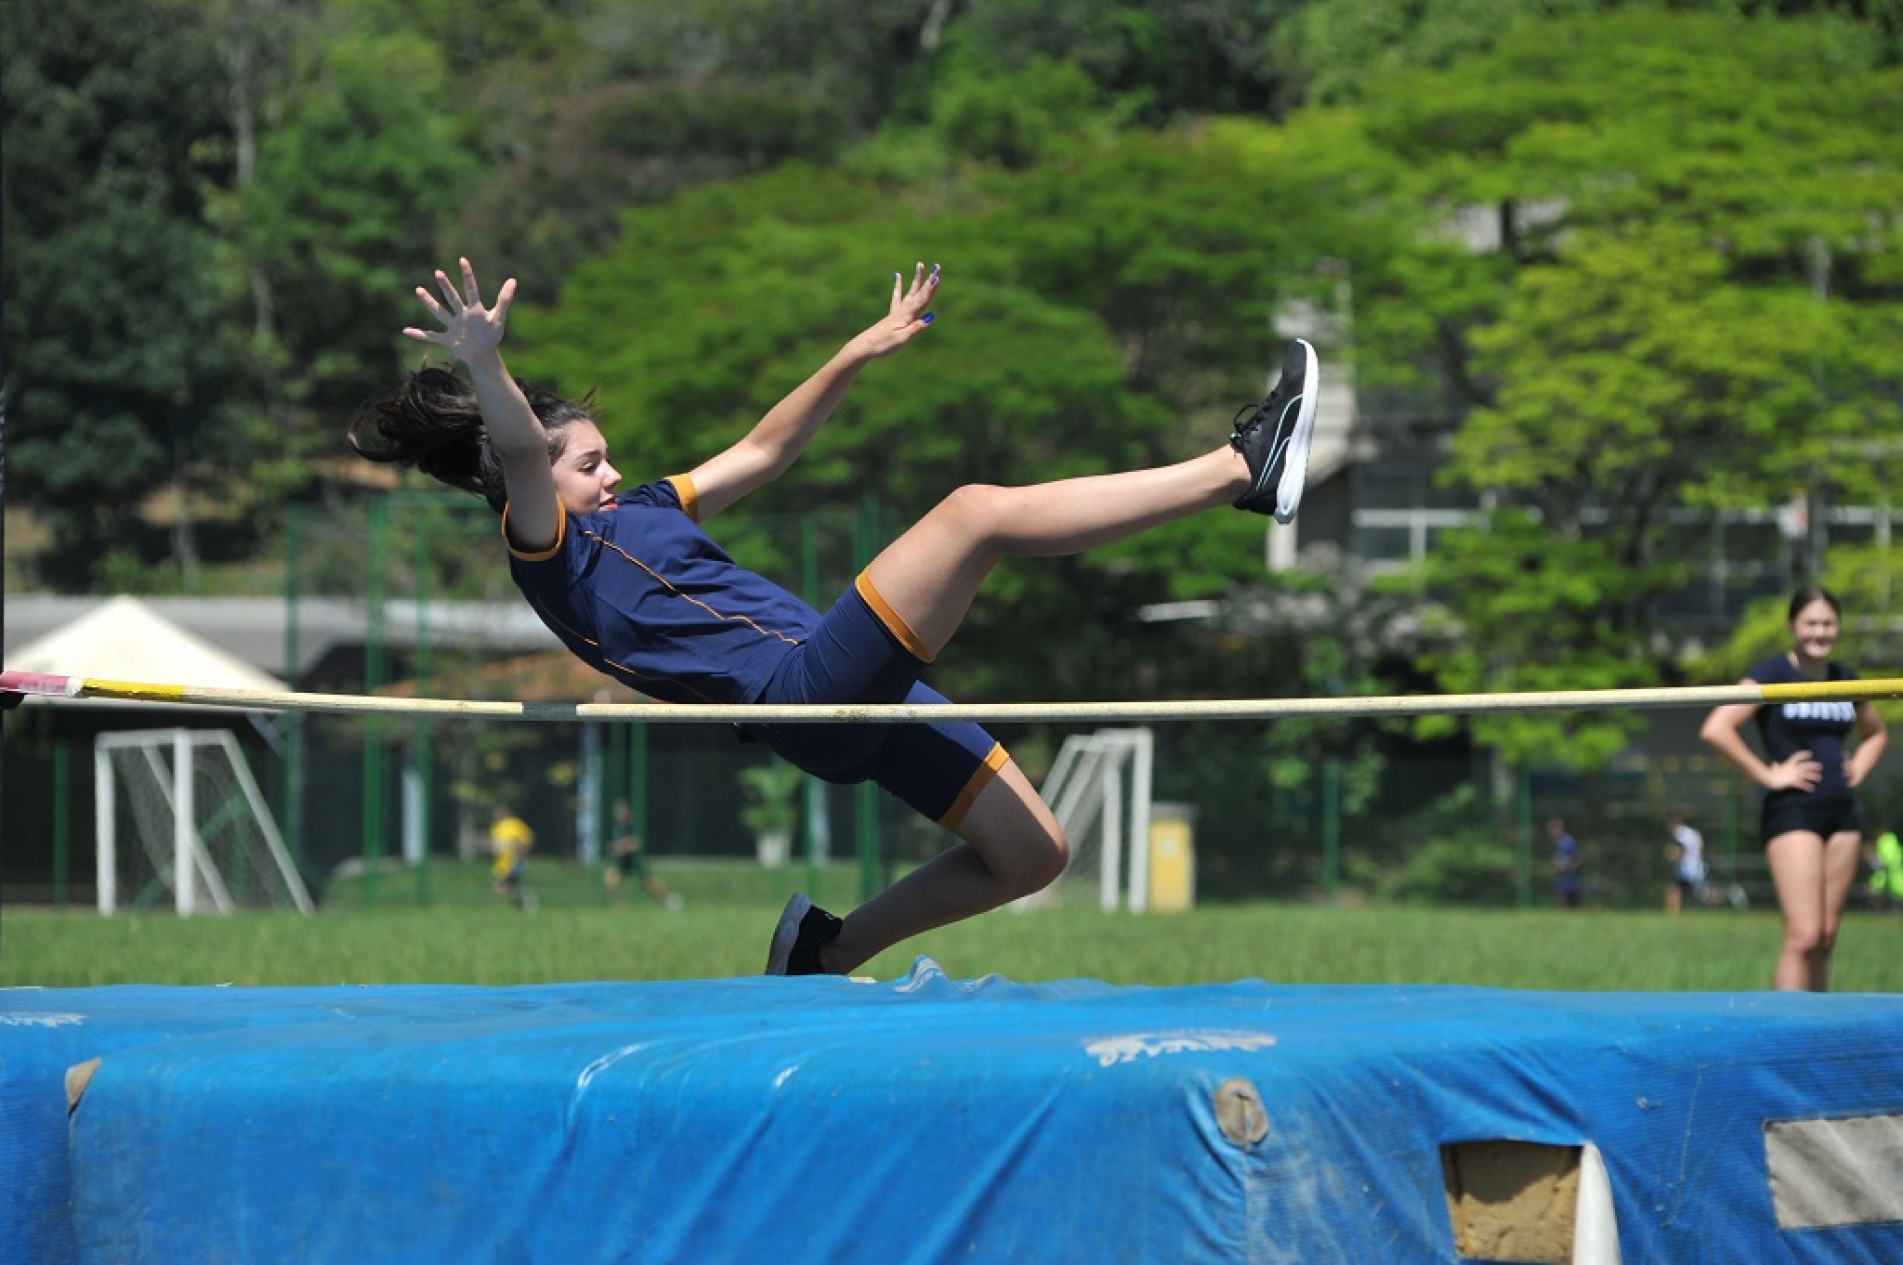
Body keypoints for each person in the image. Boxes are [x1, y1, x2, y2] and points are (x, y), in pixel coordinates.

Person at [350, 258, 1318, 976]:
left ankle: (823, 950)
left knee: (1033, 853)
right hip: (805, 690)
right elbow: (520, 450)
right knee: (974, 511)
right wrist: (484, 364)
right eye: (588, 462)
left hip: (845, 688)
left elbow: (766, 449)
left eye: (606, 456)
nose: (608, 472)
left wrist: (856, 349)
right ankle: (1243, 468)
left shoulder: (643, 508)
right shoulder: (549, 550)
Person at [1699, 587, 1888, 991]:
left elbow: (1875, 734)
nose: (1820, 632)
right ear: (1792, 627)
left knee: (1825, 936)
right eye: (1811, 623)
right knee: (1803, 935)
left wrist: (1860, 765)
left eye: (1828, 623)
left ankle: (1817, 1028)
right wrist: (1768, 775)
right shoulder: (1773, 673)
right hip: (1792, 812)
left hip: (1842, 815)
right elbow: (1717, 727)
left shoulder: (1845, 678)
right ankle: (1785, 1032)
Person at [603, 798, 684, 911]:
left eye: (622, 810)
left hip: (634, 861)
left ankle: (669, 899)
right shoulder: (618, 829)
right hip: (623, 862)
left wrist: (622, 846)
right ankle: (620, 907)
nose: (619, 814)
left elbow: (635, 843)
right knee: (609, 880)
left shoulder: (633, 825)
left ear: (627, 811)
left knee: (649, 885)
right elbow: (616, 847)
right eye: (617, 811)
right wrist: (615, 848)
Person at [488, 804, 536, 911]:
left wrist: (520, 848)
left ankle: (524, 901)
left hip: (512, 862)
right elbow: (493, 844)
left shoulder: (514, 824)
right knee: (507, 888)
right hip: (500, 864)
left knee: (500, 888)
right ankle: (523, 901)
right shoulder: (496, 827)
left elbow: (527, 839)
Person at [1663, 812, 1706, 916]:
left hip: (1686, 869)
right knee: (1698, 893)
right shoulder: (1693, 833)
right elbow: (1701, 845)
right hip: (1696, 867)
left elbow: (1680, 850)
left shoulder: (1680, 833)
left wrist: (1671, 854)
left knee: (1675, 890)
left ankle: (1672, 913)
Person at [1866, 826, 1902, 912]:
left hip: (1889, 873)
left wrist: (1870, 857)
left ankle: (1881, 910)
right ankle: (1881, 910)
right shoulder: (1891, 840)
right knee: (1872, 890)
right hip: (1888, 873)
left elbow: (1883, 861)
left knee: (1872, 891)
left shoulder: (1884, 841)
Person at [1549, 817, 1580, 909]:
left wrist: (1569, 867)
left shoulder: (1568, 841)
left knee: (1564, 894)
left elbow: (1577, 857)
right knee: (1561, 894)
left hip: (1568, 873)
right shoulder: (1558, 842)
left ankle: (1566, 913)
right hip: (1561, 874)